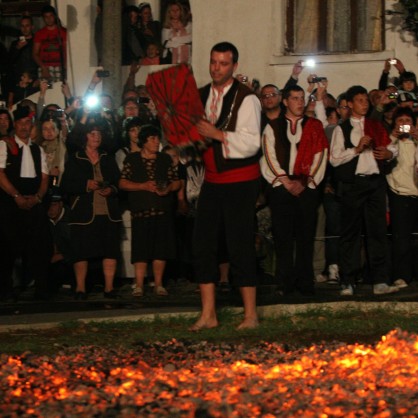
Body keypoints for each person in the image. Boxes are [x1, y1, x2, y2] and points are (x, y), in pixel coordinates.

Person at [191, 42, 261, 331]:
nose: (216, 68)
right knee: (202, 244)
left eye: (222, 63)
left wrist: (217, 134)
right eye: (213, 62)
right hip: (212, 179)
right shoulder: (200, 96)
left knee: (239, 245)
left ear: (234, 66)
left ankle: (251, 316)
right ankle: (209, 314)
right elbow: (194, 138)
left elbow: (252, 141)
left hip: (241, 181)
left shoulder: (247, 98)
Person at [330, 85, 400, 296]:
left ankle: (379, 280)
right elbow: (334, 158)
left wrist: (389, 154)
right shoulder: (341, 129)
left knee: (377, 232)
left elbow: (392, 146)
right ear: (350, 104)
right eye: (360, 100)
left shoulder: (375, 125)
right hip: (353, 185)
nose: (364, 103)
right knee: (350, 233)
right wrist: (356, 149)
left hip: (375, 183)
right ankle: (348, 280)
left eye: (365, 100)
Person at [260, 84, 329, 296]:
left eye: (302, 98)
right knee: (283, 237)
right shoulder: (272, 127)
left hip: (306, 187)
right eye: (295, 98)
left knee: (306, 237)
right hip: (282, 188)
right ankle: (285, 282)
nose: (300, 102)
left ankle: (305, 282)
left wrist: (306, 182)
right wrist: (285, 181)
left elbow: (321, 155)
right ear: (285, 101)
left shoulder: (314, 126)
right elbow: (268, 156)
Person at [61, 122, 122, 300]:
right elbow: (65, 185)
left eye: (99, 134)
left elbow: (118, 183)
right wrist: (85, 185)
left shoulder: (108, 158)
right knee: (81, 251)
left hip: (108, 211)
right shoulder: (76, 158)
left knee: (110, 250)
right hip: (83, 213)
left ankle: (109, 289)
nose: (97, 137)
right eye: (92, 134)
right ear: (84, 137)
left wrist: (111, 190)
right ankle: (80, 288)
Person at [119, 125, 181, 297]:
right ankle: (139, 285)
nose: (156, 142)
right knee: (140, 249)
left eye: (157, 138)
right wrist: (142, 186)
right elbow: (122, 183)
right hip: (141, 210)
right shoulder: (132, 159)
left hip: (162, 210)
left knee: (161, 249)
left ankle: (158, 284)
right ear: (144, 141)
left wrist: (168, 188)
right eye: (152, 139)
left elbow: (176, 182)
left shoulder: (164, 159)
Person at [0, 106, 53, 300]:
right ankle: (6, 289)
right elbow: (0, 175)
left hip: (34, 202)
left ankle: (41, 288)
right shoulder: (4, 146)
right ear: (15, 125)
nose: (24, 127)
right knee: (7, 247)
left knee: (39, 247)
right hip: (11, 203)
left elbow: (45, 178)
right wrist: (16, 196)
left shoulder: (37, 149)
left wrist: (38, 197)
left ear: (31, 126)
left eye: (27, 123)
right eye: (20, 123)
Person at [386, 107, 418, 288]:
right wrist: (393, 136)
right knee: (401, 239)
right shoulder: (391, 141)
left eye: (408, 120)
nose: (405, 124)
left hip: (416, 192)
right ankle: (401, 275)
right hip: (399, 194)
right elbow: (385, 156)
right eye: (400, 121)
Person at [33, 5, 67, 82]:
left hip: (60, 66)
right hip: (45, 67)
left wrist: (65, 66)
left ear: (54, 16)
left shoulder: (63, 32)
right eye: (46, 17)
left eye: (51, 16)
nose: (49, 19)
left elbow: (66, 50)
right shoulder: (39, 34)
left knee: (60, 90)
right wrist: (43, 67)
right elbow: (35, 53)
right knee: (46, 91)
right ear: (43, 18)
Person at [7, 16, 38, 97]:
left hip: (34, 81)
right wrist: (17, 48)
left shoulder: (37, 42)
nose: (25, 29)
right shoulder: (15, 44)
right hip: (18, 83)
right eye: (22, 26)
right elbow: (9, 63)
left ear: (32, 27)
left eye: (27, 26)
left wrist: (39, 79)